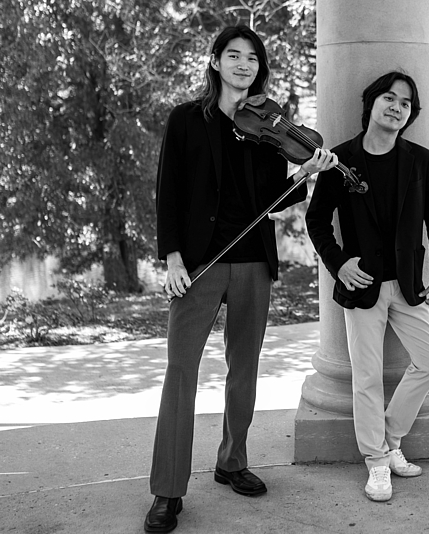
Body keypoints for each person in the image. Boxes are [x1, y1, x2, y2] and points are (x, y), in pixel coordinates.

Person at [145, 25, 337, 533]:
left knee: (244, 368)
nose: (243, 65)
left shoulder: (267, 126)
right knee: (180, 370)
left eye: (252, 58)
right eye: (233, 55)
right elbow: (169, 192)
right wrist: (172, 259)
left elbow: (271, 201)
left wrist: (305, 174)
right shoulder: (186, 119)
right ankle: (167, 489)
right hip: (200, 262)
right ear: (215, 62)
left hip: (252, 258)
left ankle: (232, 460)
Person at [305, 71, 429, 502]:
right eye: (390, 98)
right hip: (362, 285)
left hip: (407, 283)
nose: (397, 107)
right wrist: (339, 264)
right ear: (371, 103)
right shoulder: (341, 159)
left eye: (405, 103)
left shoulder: (420, 159)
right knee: (367, 376)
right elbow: (317, 221)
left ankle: (389, 439)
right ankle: (376, 462)